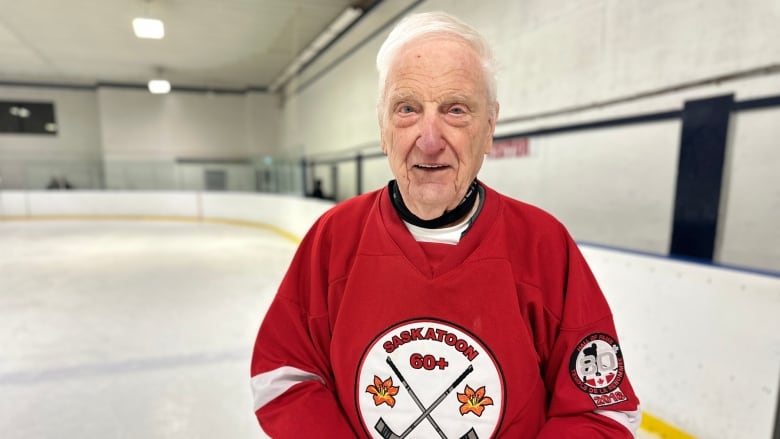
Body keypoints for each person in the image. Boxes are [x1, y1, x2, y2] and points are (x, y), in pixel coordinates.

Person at [250, 11, 640, 438]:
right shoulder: (334, 238)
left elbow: (603, 411)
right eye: (407, 109)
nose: (430, 139)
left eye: (456, 110)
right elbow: (284, 378)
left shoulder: (544, 245)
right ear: (382, 129)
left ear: (489, 128)